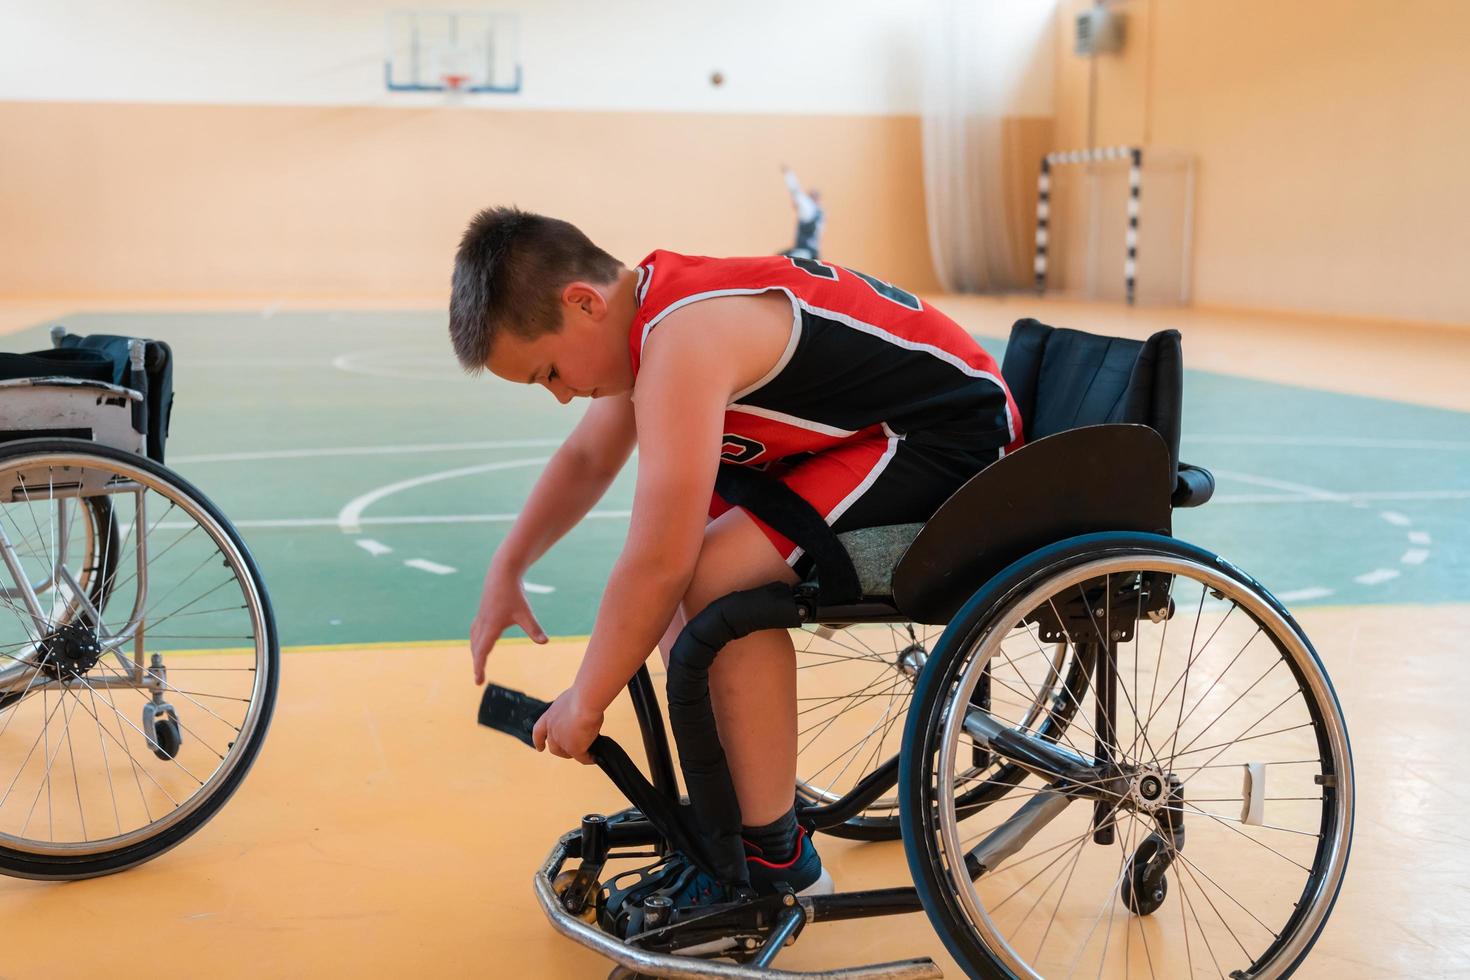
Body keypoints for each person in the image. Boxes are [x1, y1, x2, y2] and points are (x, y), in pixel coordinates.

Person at [450, 206, 1022, 909]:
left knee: (712, 581)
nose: (563, 394)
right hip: (876, 432)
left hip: (950, 437)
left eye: (549, 373)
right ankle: (739, 825)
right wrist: (508, 565)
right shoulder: (652, 315)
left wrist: (586, 699)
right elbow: (588, 456)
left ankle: (777, 858)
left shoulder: (685, 339)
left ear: (583, 302)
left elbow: (659, 560)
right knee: (688, 586)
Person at [779, 165, 825, 260]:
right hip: (814, 252)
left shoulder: (808, 207)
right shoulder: (820, 213)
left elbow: (796, 192)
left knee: (780, 260)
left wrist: (788, 174)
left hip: (803, 251)